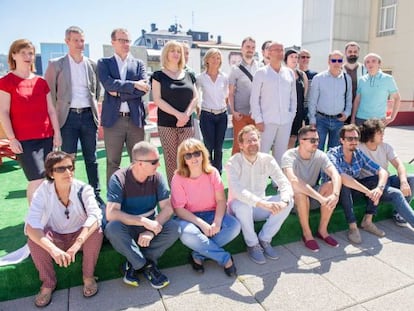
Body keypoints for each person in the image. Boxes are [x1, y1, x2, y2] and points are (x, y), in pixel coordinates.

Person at [25, 151, 103, 307]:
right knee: (33, 240)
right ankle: (48, 284)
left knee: (96, 230)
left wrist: (77, 243)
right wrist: (53, 250)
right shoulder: (42, 191)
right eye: (61, 169)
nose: (68, 172)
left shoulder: (83, 188)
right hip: (56, 237)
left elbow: (96, 215)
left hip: (79, 236)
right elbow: (31, 225)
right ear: (51, 173)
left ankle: (88, 277)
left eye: (70, 167)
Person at [104, 141, 179, 289]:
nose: (159, 165)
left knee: (175, 228)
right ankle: (146, 266)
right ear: (139, 163)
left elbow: (168, 208)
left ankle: (133, 263)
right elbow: (111, 214)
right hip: (128, 226)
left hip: (151, 224)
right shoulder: (119, 178)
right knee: (112, 228)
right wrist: (143, 221)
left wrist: (150, 231)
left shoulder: (157, 177)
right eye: (154, 162)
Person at [44, 26, 102, 203]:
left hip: (87, 117)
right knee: (67, 159)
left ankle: (96, 194)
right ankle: (67, 194)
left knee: (91, 158)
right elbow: (49, 94)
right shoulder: (56, 65)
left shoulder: (92, 65)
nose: (79, 44)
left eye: (82, 40)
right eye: (75, 40)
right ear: (67, 42)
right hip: (67, 118)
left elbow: (96, 92)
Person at [0, 39, 61, 204]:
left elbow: (51, 110)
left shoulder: (41, 82)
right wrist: (12, 139)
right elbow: (3, 112)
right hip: (24, 141)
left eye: (31, 53)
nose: (28, 56)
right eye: (23, 53)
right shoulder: (6, 82)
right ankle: (34, 221)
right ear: (13, 55)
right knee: (36, 180)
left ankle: (48, 216)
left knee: (48, 179)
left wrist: (57, 134)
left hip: (46, 137)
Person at [171, 138, 240, 276]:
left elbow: (221, 200)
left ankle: (198, 254)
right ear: (183, 159)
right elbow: (179, 209)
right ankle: (225, 258)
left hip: (211, 213)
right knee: (188, 235)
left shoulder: (212, 172)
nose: (194, 158)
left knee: (234, 226)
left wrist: (217, 221)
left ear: (203, 154)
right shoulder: (178, 178)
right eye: (188, 155)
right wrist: (201, 224)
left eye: (197, 153)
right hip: (188, 217)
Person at [226, 125, 294, 264]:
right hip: (238, 209)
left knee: (289, 201)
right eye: (248, 141)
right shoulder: (233, 162)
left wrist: (283, 201)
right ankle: (252, 244)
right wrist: (263, 203)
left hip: (260, 207)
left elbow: (284, 182)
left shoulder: (267, 159)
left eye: (255, 140)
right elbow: (239, 192)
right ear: (241, 145)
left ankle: (265, 239)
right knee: (242, 206)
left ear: (259, 141)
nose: (252, 143)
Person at [97, 28, 150, 184]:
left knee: (139, 161)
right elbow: (108, 84)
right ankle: (114, 200)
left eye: (128, 40)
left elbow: (144, 89)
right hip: (114, 122)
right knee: (113, 162)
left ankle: (138, 196)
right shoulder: (104, 63)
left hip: (135, 121)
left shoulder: (138, 64)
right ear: (113, 42)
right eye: (122, 40)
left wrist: (119, 93)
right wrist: (134, 85)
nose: (126, 44)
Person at [281, 126, 342, 252]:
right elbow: (294, 181)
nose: (317, 143)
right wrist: (320, 198)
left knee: (330, 185)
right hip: (292, 200)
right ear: (302, 141)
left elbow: (335, 174)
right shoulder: (289, 155)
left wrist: (335, 194)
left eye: (317, 140)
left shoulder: (320, 155)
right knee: (299, 192)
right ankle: (307, 234)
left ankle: (323, 231)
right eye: (313, 140)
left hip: (313, 197)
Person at [326, 124, 389, 244]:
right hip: (333, 193)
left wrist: (379, 189)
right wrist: (368, 192)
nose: (354, 142)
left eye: (356, 138)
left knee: (376, 179)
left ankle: (368, 221)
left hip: (353, 190)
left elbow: (382, 171)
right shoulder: (332, 154)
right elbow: (343, 178)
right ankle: (353, 227)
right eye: (350, 139)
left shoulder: (358, 153)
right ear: (342, 140)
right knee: (343, 185)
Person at [151, 40, 198, 185]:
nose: (176, 54)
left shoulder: (189, 75)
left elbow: (195, 97)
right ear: (166, 53)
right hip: (167, 125)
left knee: (188, 158)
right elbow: (157, 99)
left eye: (178, 51)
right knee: (171, 160)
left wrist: (186, 115)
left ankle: (189, 190)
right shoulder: (158, 75)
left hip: (187, 124)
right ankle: (175, 193)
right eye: (172, 51)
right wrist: (178, 115)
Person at [359, 119, 414, 228]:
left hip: (386, 180)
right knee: (396, 193)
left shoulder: (385, 147)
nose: (383, 135)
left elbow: (399, 165)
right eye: (379, 133)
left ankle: (399, 214)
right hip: (370, 184)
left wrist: (403, 181)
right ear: (370, 134)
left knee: (412, 179)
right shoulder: (359, 148)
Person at [250, 41, 297, 165]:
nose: (280, 53)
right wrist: (258, 119)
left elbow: (293, 98)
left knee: (281, 153)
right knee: (262, 153)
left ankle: (277, 182)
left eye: (281, 50)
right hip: (266, 121)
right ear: (269, 53)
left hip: (285, 121)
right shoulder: (261, 73)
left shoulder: (289, 73)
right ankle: (260, 181)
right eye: (276, 50)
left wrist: (291, 116)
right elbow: (254, 99)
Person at [308, 50, 352, 151]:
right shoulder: (318, 78)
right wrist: (312, 119)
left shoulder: (346, 78)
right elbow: (312, 100)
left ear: (342, 62)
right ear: (328, 62)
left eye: (339, 60)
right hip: (321, 120)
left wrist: (347, 113)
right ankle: (317, 168)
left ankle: (331, 167)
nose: (336, 63)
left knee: (335, 151)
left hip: (338, 121)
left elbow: (349, 98)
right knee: (317, 150)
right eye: (334, 60)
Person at [196, 48, 229, 174]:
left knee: (219, 147)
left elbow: (227, 95)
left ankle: (218, 173)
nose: (216, 60)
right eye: (213, 57)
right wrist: (197, 107)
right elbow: (195, 94)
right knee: (208, 146)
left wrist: (223, 108)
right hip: (207, 115)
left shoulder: (224, 77)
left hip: (222, 115)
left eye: (218, 58)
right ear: (207, 60)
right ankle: (207, 172)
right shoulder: (200, 78)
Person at [228, 37, 259, 155]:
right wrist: (233, 111)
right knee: (238, 146)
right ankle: (235, 173)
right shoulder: (235, 69)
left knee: (254, 147)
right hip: (241, 115)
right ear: (242, 49)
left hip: (256, 115)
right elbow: (230, 93)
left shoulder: (260, 68)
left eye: (252, 47)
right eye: (247, 47)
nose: (250, 50)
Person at [351, 53, 400, 126]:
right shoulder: (361, 80)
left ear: (379, 64)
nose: (370, 64)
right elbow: (357, 100)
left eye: (373, 61)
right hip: (360, 119)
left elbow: (397, 98)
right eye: (367, 62)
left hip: (378, 120)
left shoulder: (388, 79)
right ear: (365, 65)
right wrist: (352, 118)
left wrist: (392, 117)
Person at [284, 49, 309, 148]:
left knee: (294, 138)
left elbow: (304, 95)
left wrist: (303, 117)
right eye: (291, 57)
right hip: (285, 112)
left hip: (298, 112)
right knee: (282, 140)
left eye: (296, 57)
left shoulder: (302, 75)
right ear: (286, 59)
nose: (294, 59)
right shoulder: (281, 73)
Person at [343, 41, 366, 124]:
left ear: (358, 53)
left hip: (361, 111)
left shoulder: (366, 70)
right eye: (350, 52)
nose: (352, 54)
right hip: (343, 111)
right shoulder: (339, 70)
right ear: (345, 53)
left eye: (355, 52)